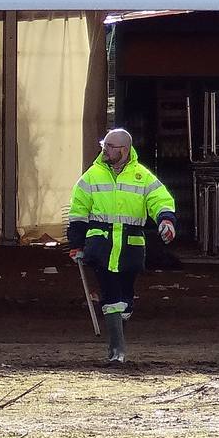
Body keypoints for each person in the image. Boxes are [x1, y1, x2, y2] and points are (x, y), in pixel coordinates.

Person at [67, 128, 177, 364]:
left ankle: (118, 337)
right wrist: (76, 244)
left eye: (110, 146)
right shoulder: (91, 176)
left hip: (131, 246)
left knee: (126, 297)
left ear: (124, 150)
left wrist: (166, 220)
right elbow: (77, 212)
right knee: (111, 294)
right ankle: (116, 350)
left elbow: (160, 200)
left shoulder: (143, 176)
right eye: (104, 145)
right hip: (101, 244)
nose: (105, 150)